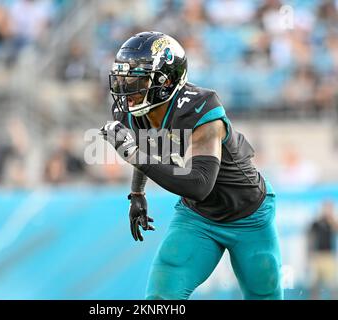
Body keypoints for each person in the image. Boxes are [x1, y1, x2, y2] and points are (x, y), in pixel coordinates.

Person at [100, 31, 282, 300]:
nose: (127, 88)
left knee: (264, 295)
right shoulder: (135, 110)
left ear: (165, 80)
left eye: (136, 79)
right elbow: (148, 145)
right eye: (124, 78)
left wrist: (132, 153)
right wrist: (137, 193)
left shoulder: (201, 108)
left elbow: (199, 185)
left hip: (248, 214)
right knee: (161, 299)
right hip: (197, 217)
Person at [307, 200, 338, 299]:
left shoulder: (332, 222)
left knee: (332, 285)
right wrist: (309, 254)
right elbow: (311, 238)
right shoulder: (317, 223)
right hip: (317, 255)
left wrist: (331, 220)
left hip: (328, 255)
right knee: (314, 284)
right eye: (326, 208)